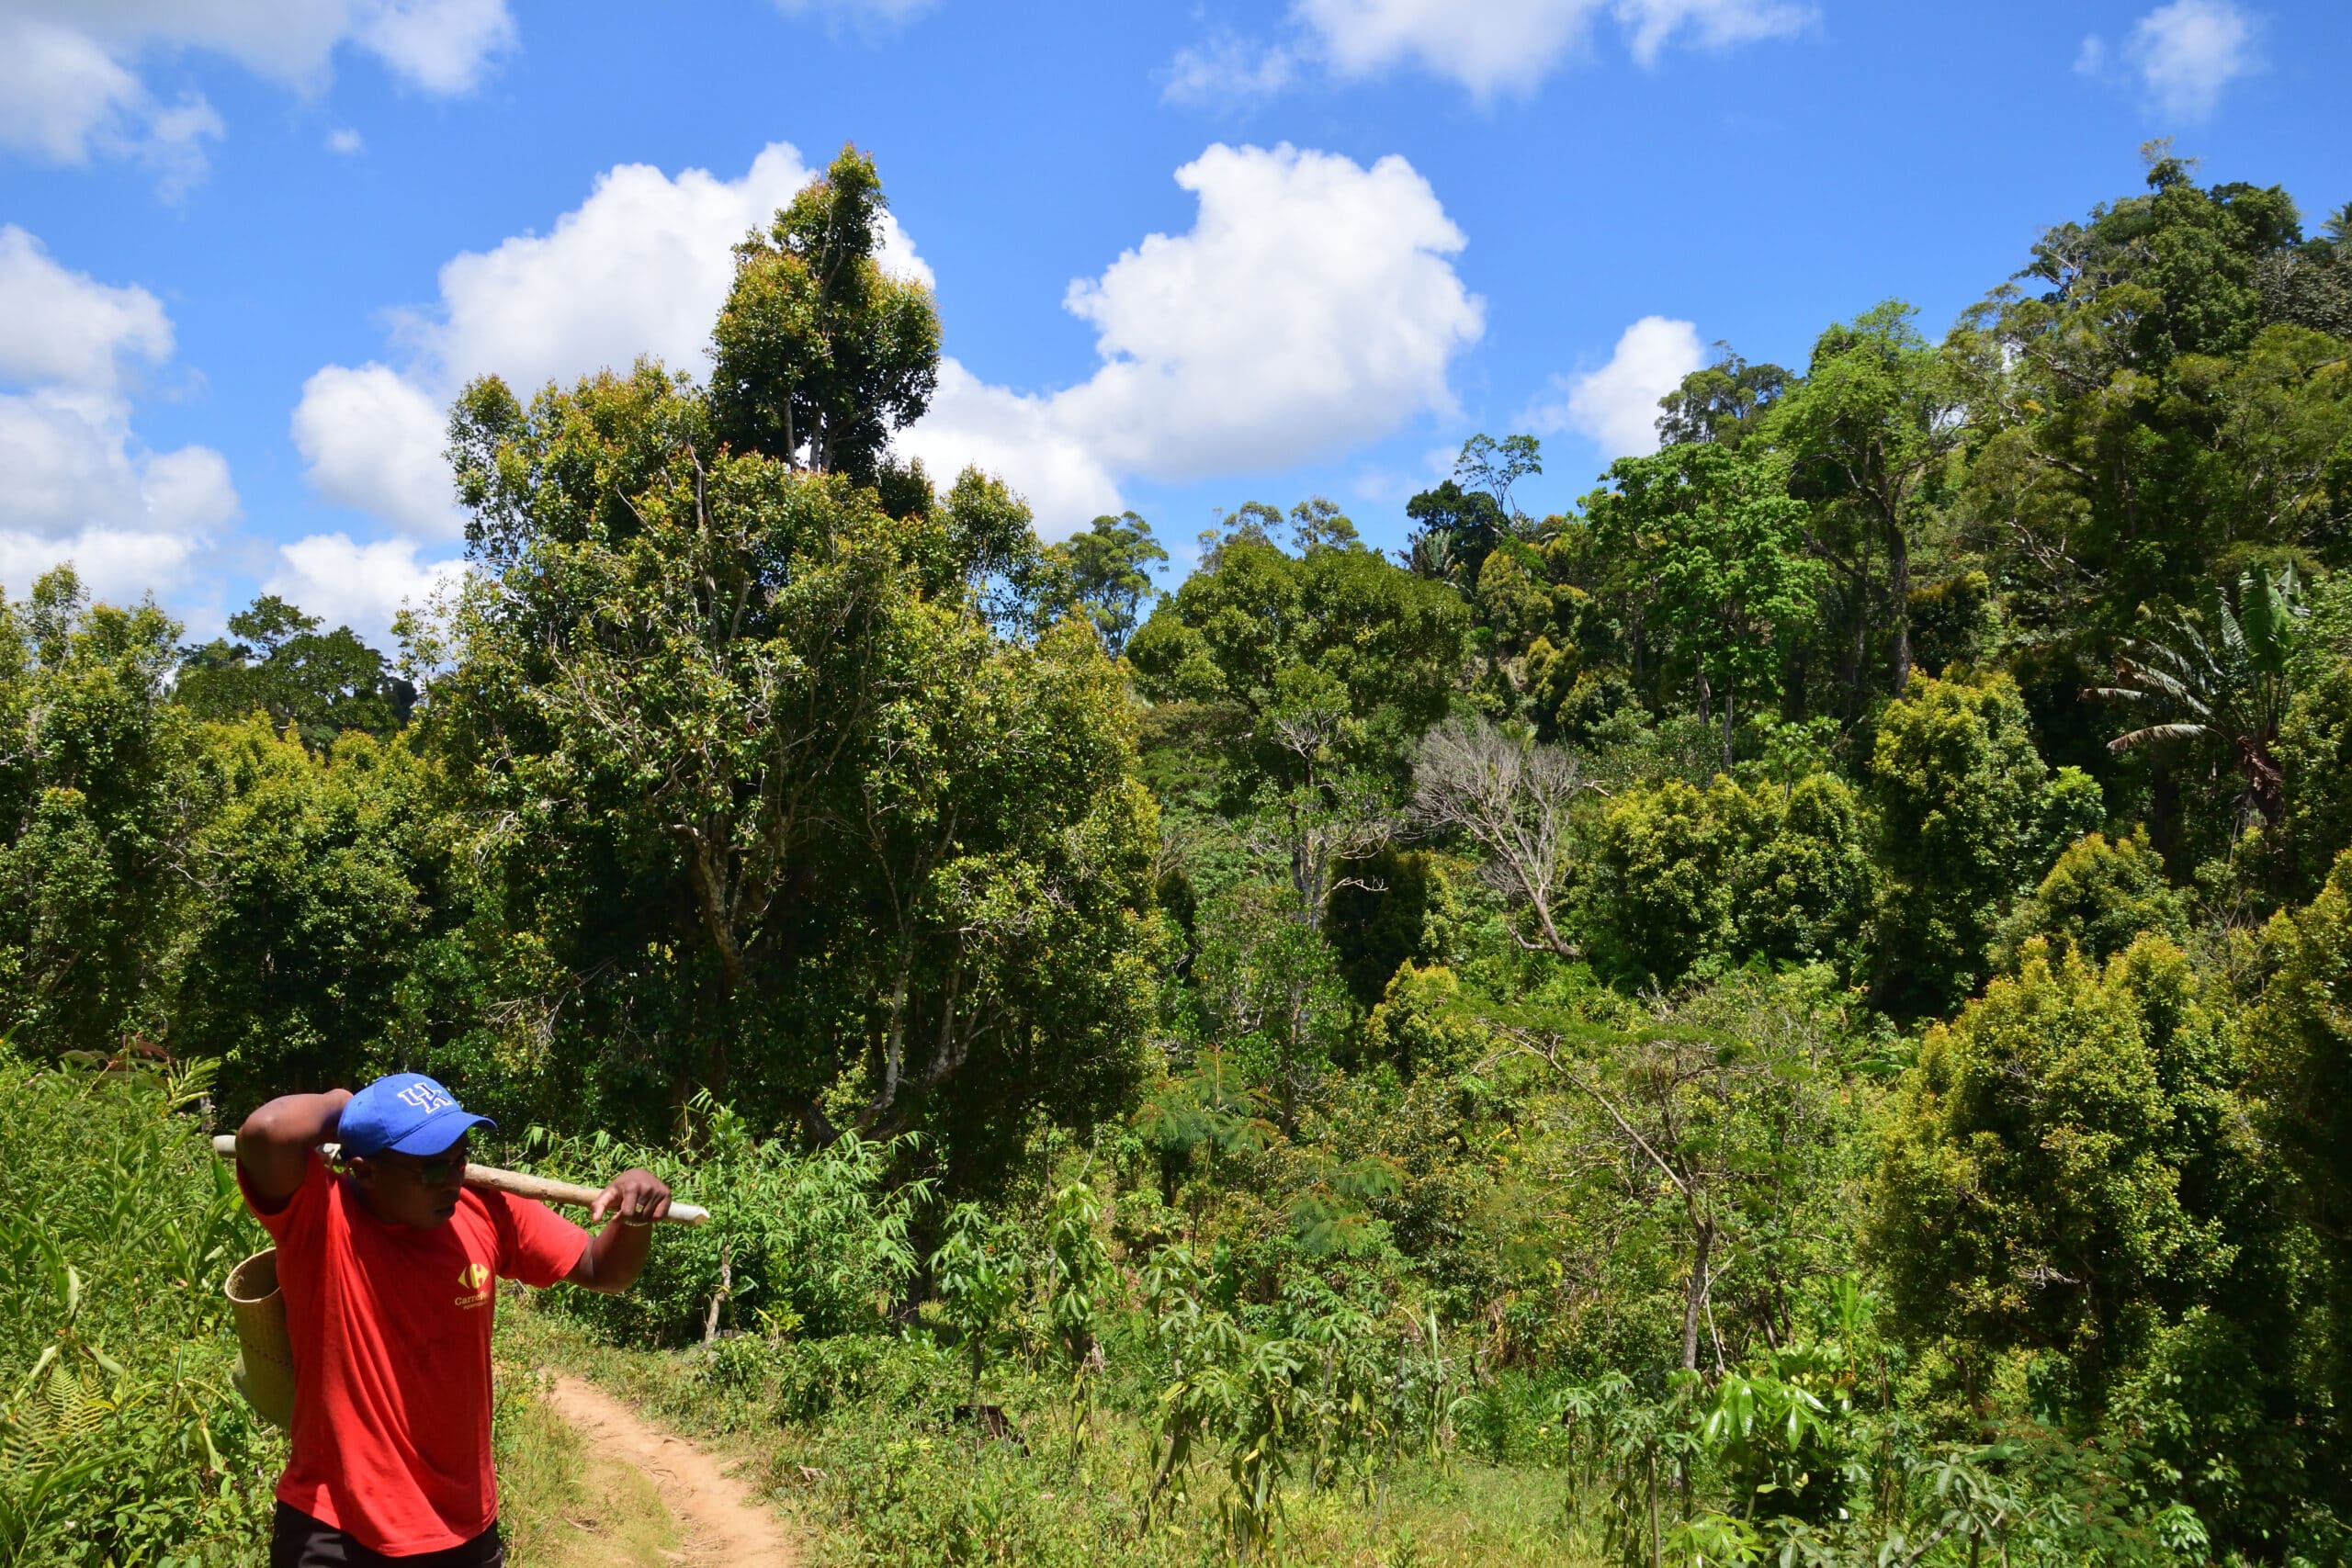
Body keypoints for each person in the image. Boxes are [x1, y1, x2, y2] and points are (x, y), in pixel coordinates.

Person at [236, 1072, 673, 1567]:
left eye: (460, 1158)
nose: (452, 1179)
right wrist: (349, 1104)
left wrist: (633, 1219)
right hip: (334, 1524)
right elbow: (268, 1129)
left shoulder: (485, 1207)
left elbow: (603, 1269)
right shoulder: (322, 1216)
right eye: (430, 1168)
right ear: (366, 1170)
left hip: (459, 1524)